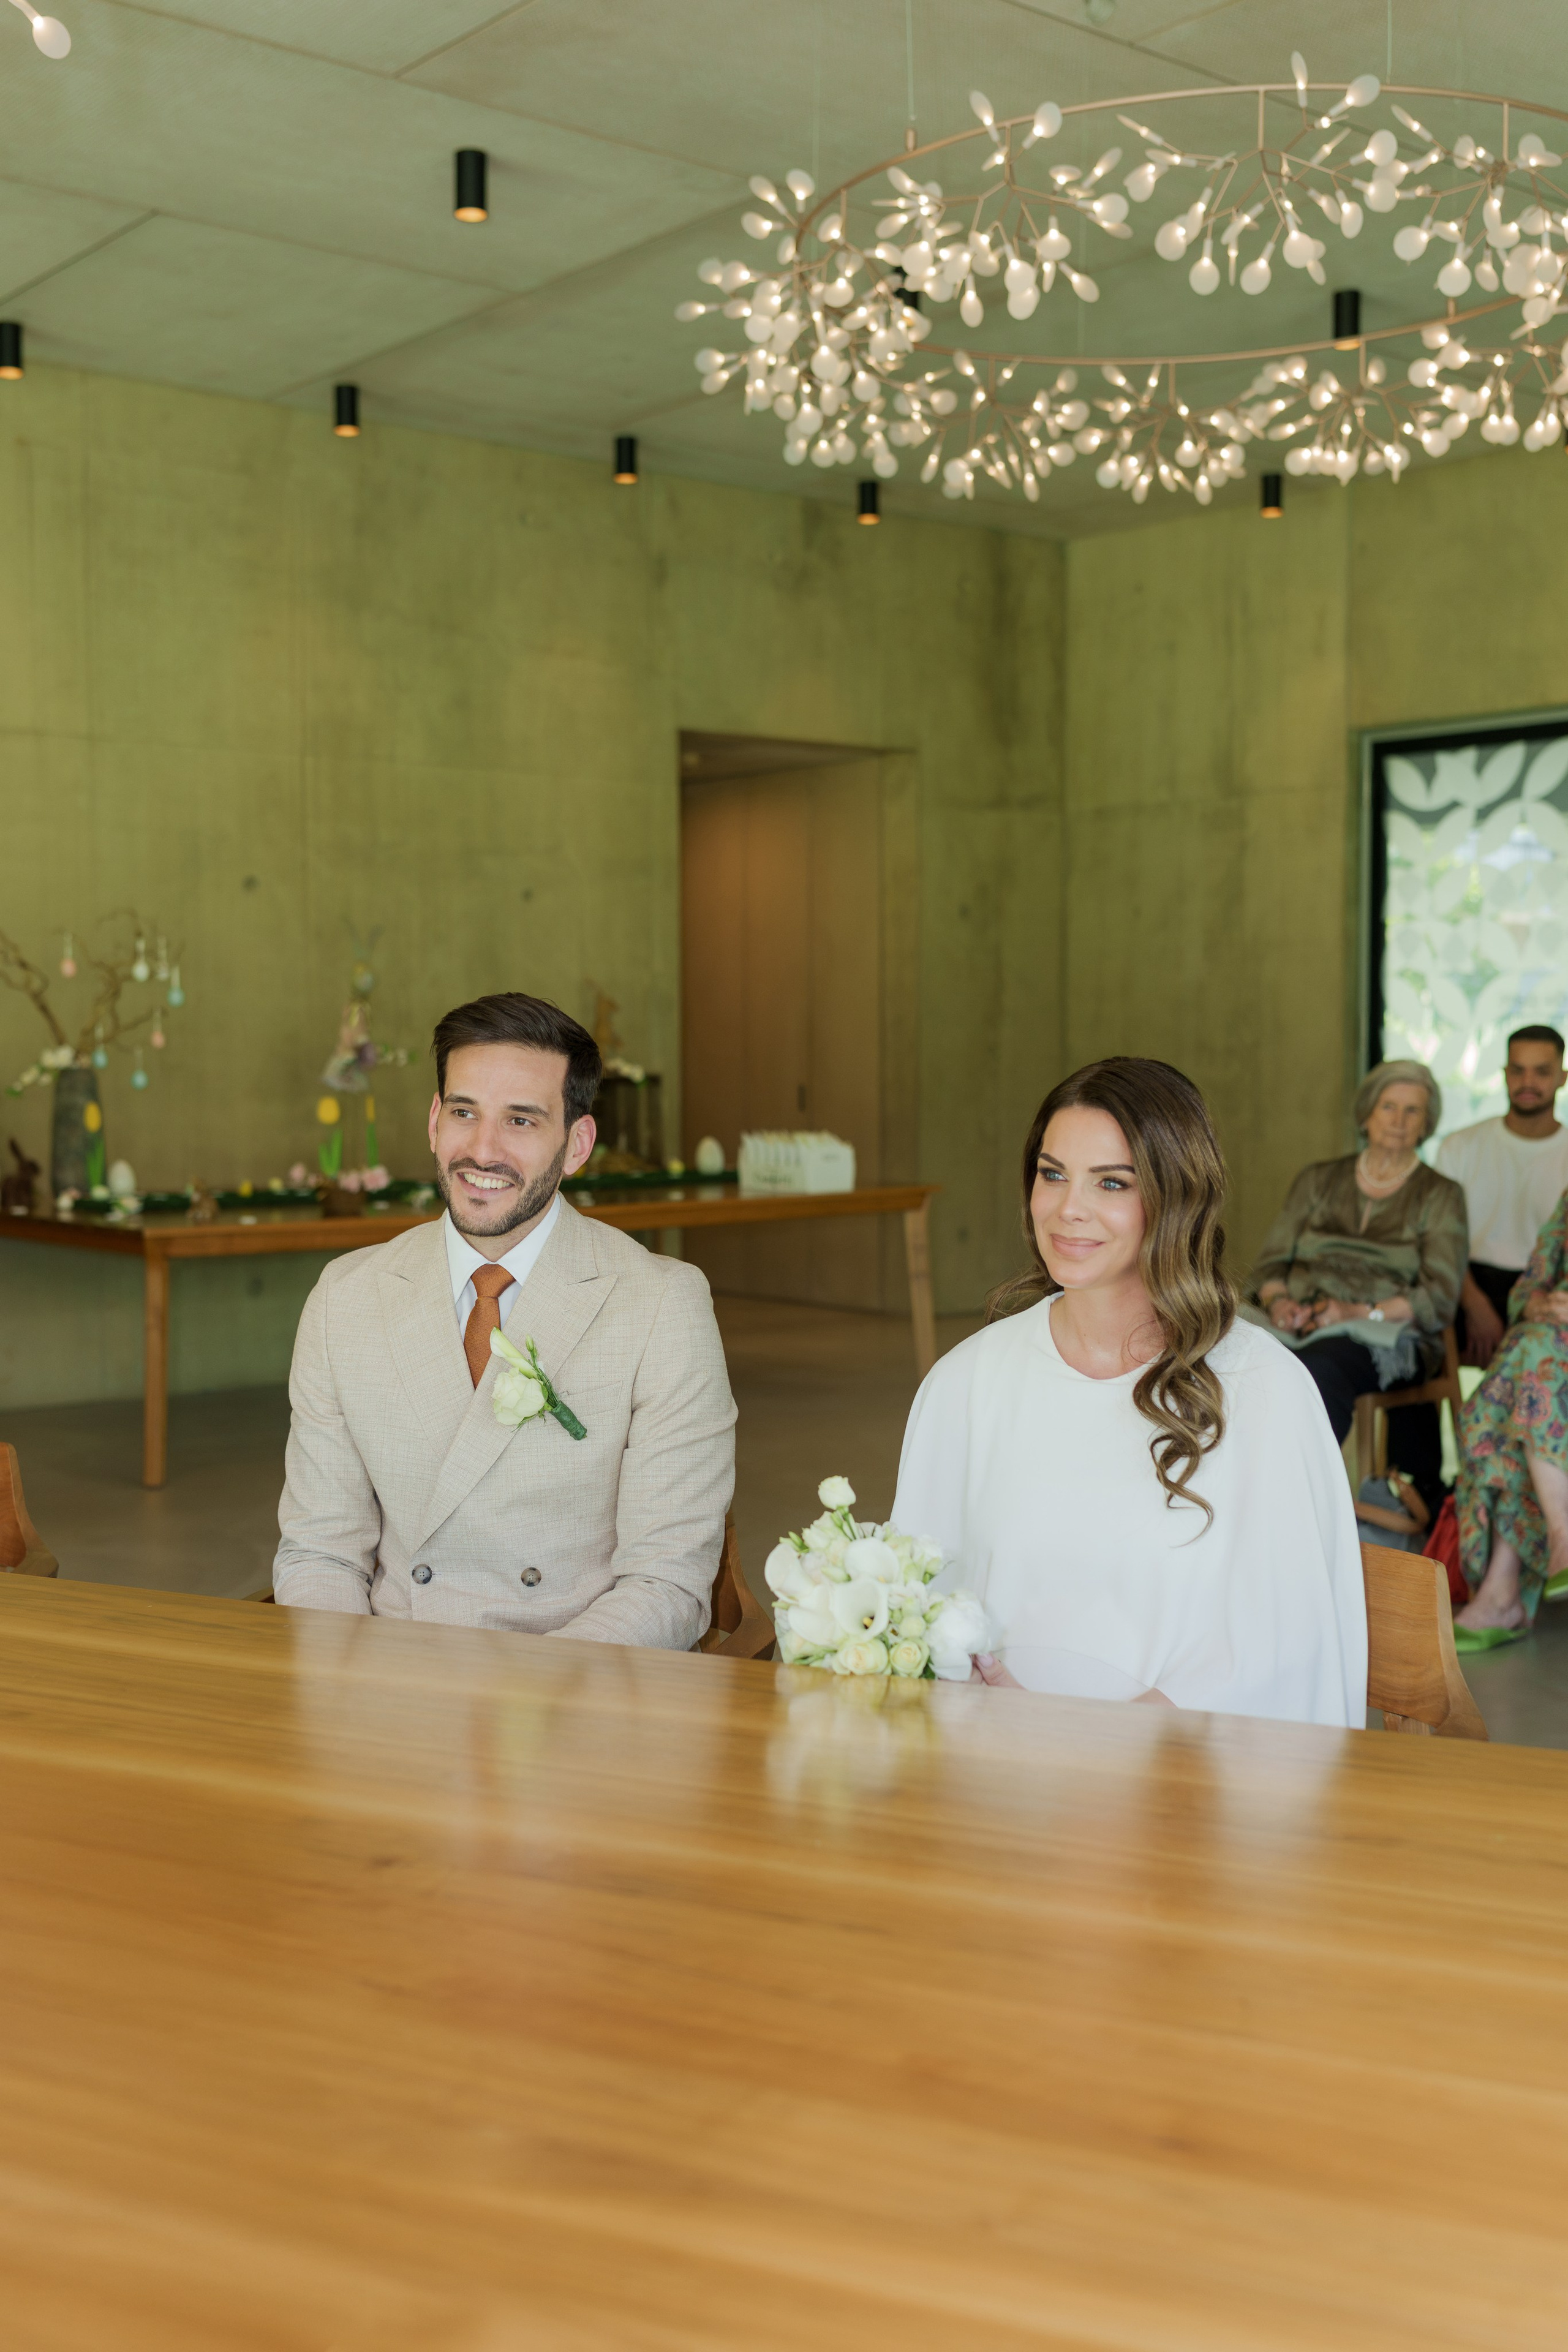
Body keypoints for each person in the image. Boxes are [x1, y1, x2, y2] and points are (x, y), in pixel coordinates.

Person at [891, 1057, 1366, 1725]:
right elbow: (915, 1607)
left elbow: (1286, 1639)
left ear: (1177, 1197)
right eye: (1051, 1174)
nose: (1068, 1209)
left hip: (1184, 1790)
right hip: (991, 1775)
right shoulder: (966, 1382)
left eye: (1111, 1183)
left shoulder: (1262, 1389)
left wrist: (1096, 1744)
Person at [273, 991, 736, 1646]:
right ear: (434, 1121)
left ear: (577, 1144)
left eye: (521, 1121)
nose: (482, 1150)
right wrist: (348, 1698)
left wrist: (534, 1716)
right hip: (392, 1688)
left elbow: (667, 1583)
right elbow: (321, 1553)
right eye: (464, 1112)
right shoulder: (345, 1298)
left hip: (573, 1701)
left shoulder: (662, 1305)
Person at [1249, 1060, 1466, 1511]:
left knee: (1317, 1368)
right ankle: (1228, 1480)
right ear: (1368, 1112)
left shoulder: (1440, 1194)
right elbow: (1269, 1265)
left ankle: (1293, 1501)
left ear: (1427, 1124)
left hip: (1386, 1331)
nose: (1399, 1121)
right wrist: (1280, 1303)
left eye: (1413, 1111)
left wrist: (1355, 1312)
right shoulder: (1318, 1180)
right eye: (1389, 1107)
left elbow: (1439, 1298)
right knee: (1224, 1349)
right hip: (1294, 1317)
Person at [1450, 1191, 1568, 1648]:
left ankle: (1506, 1587)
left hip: (1551, 1357)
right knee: (1526, 1365)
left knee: (1523, 1368)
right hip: (1555, 1350)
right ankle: (1546, 1550)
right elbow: (1529, 1285)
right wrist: (1539, 1305)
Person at [1436, 1026, 1568, 1366]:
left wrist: (1533, 1305)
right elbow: (1438, 1242)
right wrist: (1475, 1305)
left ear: (1562, 1078)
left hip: (1548, 1291)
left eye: (1542, 1072)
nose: (1528, 1082)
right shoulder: (1461, 1146)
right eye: (1518, 1070)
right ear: (1504, 1075)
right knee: (1414, 1340)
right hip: (1468, 1285)